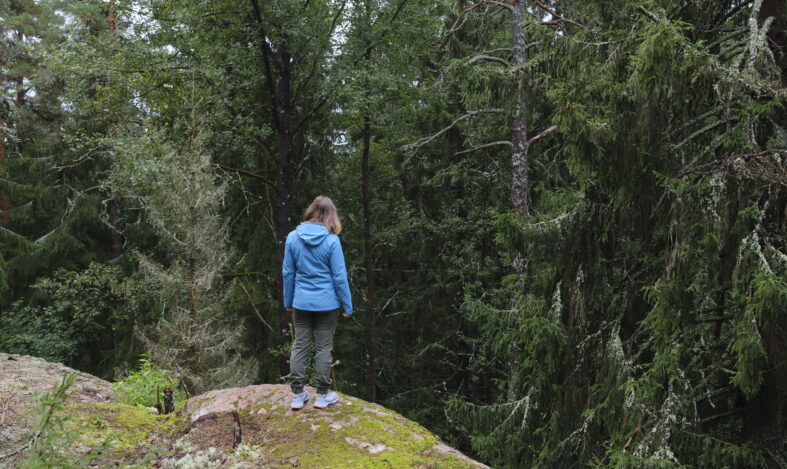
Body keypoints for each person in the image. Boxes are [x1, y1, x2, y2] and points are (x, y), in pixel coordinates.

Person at [282, 196, 352, 410]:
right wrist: (347, 306)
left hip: (301, 302)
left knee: (300, 345)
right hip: (327, 304)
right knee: (323, 347)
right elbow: (339, 276)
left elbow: (288, 272)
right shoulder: (331, 241)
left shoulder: (293, 237)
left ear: (311, 211)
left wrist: (289, 299)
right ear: (331, 215)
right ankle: (322, 395)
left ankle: (297, 395)